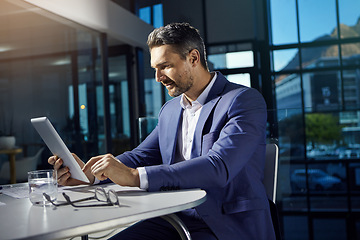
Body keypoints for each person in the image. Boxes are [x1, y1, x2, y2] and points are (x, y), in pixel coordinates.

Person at [49, 22, 276, 240]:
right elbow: (142, 155)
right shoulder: (170, 110)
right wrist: (93, 173)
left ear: (193, 58)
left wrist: (134, 177)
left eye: (165, 66)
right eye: (155, 69)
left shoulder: (243, 100)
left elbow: (218, 167)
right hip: (175, 217)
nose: (158, 78)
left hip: (226, 225)